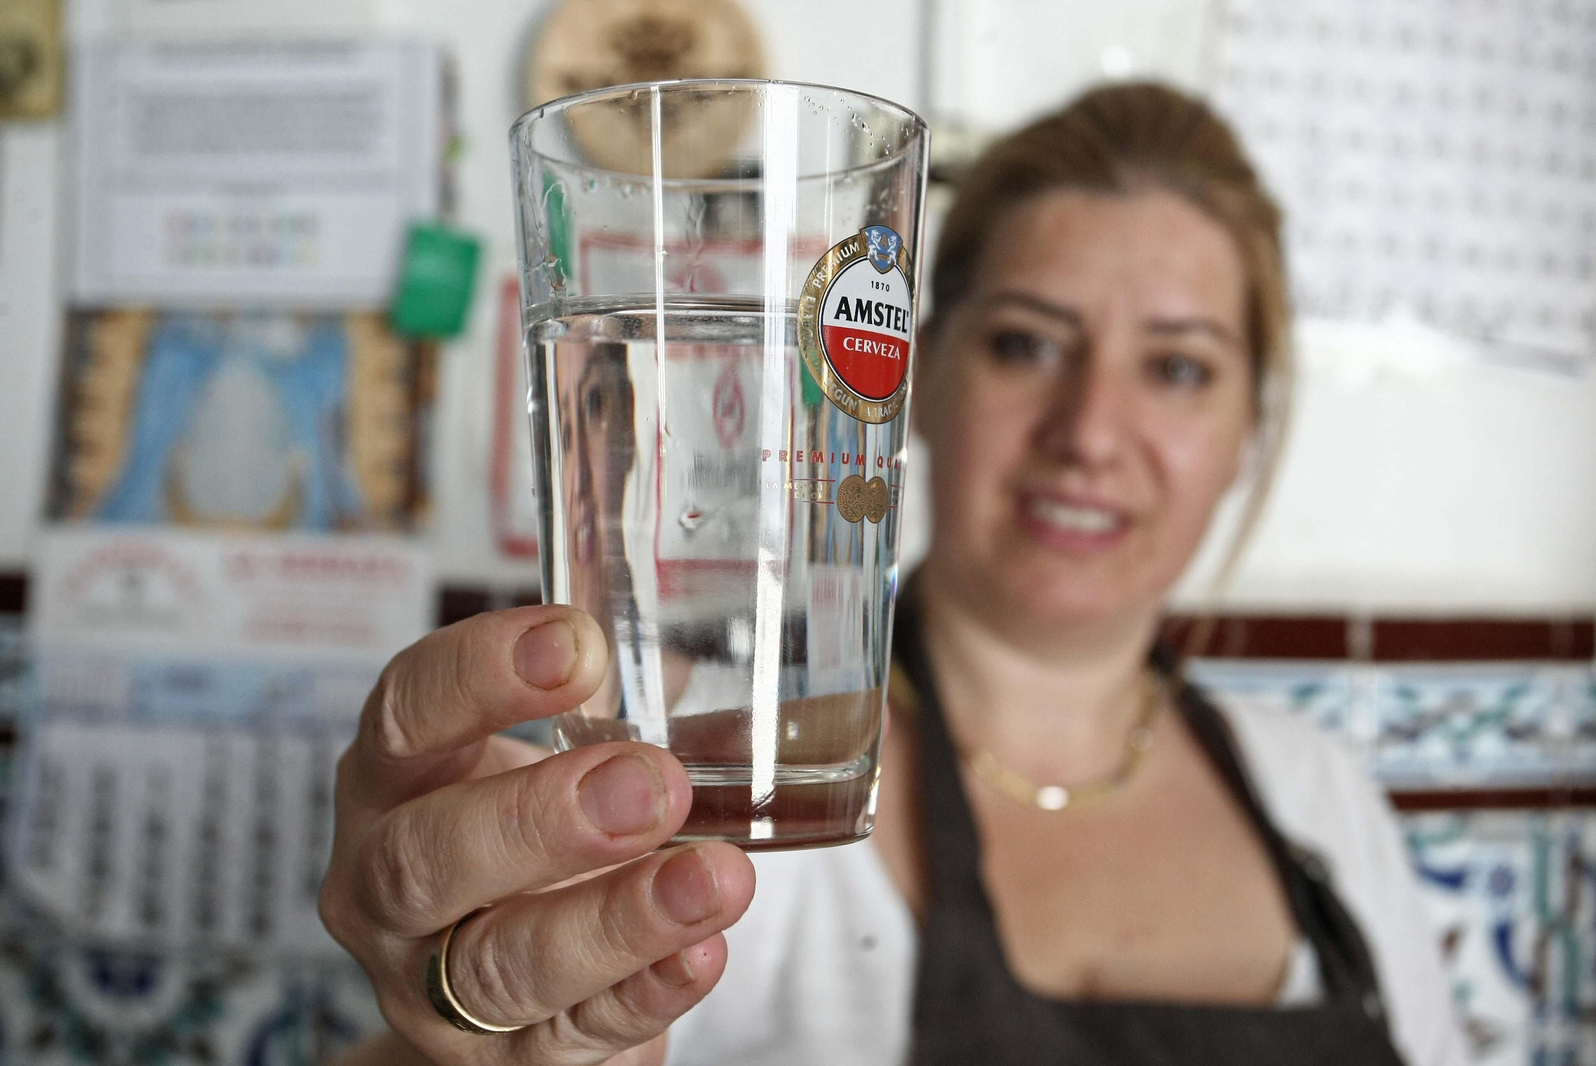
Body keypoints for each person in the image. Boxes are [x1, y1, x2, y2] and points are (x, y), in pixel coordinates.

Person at [317, 82, 1470, 1066]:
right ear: (917, 375)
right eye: (1026, 342)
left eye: (1177, 367)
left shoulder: (1320, 794)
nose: (1090, 430)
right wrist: (458, 1030)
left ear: (1244, 435)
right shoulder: (735, 791)